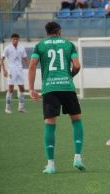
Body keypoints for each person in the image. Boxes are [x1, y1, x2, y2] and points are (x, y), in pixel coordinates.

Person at [28, 22, 85, 174]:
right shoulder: (68, 44)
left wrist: (32, 88)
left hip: (49, 88)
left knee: (50, 123)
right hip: (67, 87)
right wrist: (69, 76)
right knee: (76, 120)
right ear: (59, 31)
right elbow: (77, 65)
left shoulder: (40, 46)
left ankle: (51, 165)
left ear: (46, 32)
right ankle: (78, 158)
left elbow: (32, 65)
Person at [0, 33, 29, 114]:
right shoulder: (7, 48)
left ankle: (21, 107)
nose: (15, 41)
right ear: (11, 39)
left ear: (18, 39)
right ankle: (7, 108)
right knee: (11, 88)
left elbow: (25, 58)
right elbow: (2, 59)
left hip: (20, 69)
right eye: (14, 39)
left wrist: (30, 67)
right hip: (11, 70)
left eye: (16, 39)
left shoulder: (22, 47)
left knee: (22, 88)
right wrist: (4, 70)